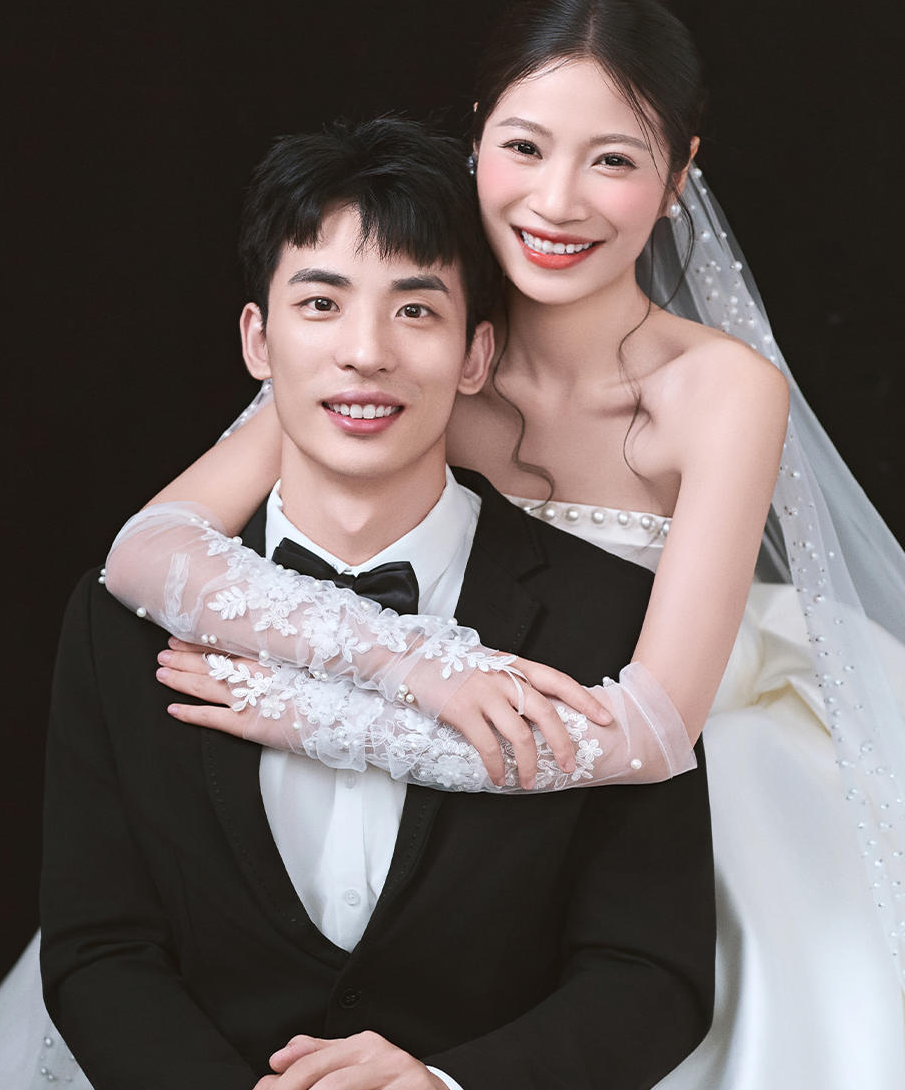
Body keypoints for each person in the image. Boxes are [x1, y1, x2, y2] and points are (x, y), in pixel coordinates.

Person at [0, 0, 905, 1090]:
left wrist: (326, 719)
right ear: (477, 142)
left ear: (679, 177)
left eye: (613, 160)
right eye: (525, 147)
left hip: (655, 764)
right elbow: (147, 552)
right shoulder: (405, 338)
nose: (556, 202)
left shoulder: (718, 391)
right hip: (457, 802)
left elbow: (653, 730)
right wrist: (410, 662)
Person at [49, 117, 716, 1090]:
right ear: (258, 339)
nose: (365, 353)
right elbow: (99, 950)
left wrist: (449, 1086)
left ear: (477, 355)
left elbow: (651, 971)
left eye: (415, 310)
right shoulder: (117, 622)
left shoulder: (611, 618)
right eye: (321, 303)